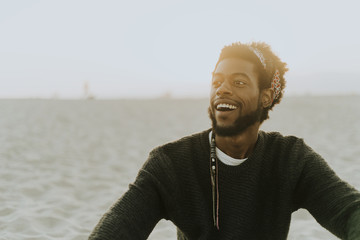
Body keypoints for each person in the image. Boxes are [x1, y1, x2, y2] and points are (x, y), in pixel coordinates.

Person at [89, 42, 360, 239]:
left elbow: (349, 210)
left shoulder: (290, 159)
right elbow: (116, 229)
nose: (223, 89)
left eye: (239, 82)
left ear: (265, 97)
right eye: (217, 81)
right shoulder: (171, 163)